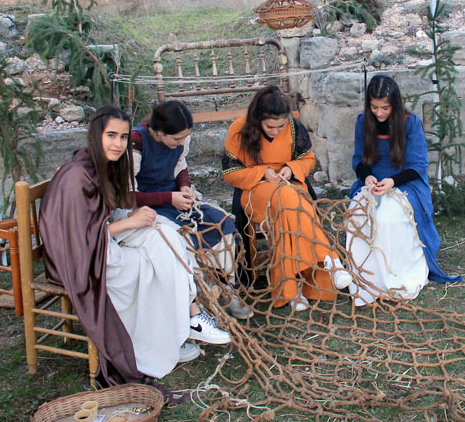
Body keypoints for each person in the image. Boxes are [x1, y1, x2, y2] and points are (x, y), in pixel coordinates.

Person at [39, 105, 231, 388]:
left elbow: (107, 211)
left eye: (123, 137)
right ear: (96, 135)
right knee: (144, 266)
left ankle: (188, 319)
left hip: (101, 239)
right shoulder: (76, 177)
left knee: (165, 233)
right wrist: (130, 222)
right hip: (79, 258)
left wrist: (135, 218)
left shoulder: (103, 163)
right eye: (111, 136)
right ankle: (155, 343)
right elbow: (78, 240)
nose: (118, 144)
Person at [222, 86, 352, 311]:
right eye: (269, 126)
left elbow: (308, 159)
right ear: (257, 119)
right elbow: (230, 173)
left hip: (289, 183)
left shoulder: (293, 126)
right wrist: (262, 172)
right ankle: (328, 257)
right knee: (290, 199)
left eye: (280, 126)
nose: (275, 131)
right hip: (256, 189)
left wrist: (291, 169)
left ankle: (291, 291)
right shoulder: (238, 129)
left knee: (288, 210)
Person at [346, 75, 461, 306]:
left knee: (388, 219)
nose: (379, 113)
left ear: (395, 104)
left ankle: (398, 277)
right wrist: (366, 175)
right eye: (374, 107)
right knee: (357, 218)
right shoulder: (363, 121)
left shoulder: (410, 123)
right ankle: (368, 282)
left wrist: (391, 182)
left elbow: (418, 166)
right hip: (373, 183)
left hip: (404, 183)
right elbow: (358, 158)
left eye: (385, 107)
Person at [131, 100, 252, 319]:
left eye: (185, 137)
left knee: (221, 221)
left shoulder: (179, 141)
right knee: (182, 240)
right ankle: (200, 298)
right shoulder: (136, 143)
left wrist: (185, 187)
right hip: (146, 207)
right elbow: (129, 194)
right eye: (177, 138)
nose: (182, 142)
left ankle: (226, 289)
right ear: (157, 132)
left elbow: (180, 166)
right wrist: (169, 197)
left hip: (176, 199)